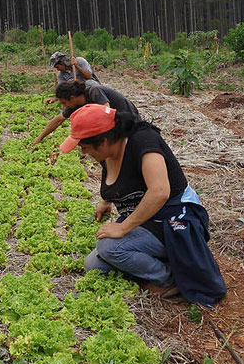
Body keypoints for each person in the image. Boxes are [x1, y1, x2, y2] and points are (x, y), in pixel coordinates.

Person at [60, 104, 226, 306]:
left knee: (109, 247)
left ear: (103, 141)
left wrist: (123, 228)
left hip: (172, 220)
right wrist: (106, 200)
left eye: (84, 147)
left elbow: (159, 192)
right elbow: (122, 180)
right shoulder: (108, 152)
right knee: (94, 265)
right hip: (145, 219)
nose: (83, 153)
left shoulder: (143, 142)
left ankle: (170, 278)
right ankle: (164, 261)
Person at [33, 80, 139, 146]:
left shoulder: (94, 92)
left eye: (64, 103)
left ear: (72, 98)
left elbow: (106, 114)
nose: (63, 106)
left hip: (128, 117)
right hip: (114, 121)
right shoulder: (74, 104)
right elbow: (58, 120)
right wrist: (39, 138)